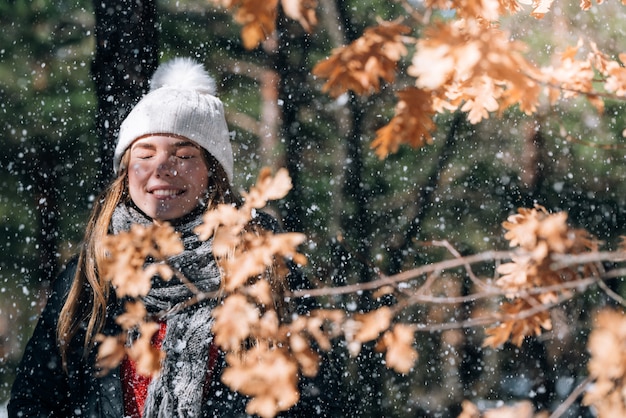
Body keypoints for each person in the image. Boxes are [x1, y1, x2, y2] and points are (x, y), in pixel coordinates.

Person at [7, 57, 290, 417]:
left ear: (212, 173)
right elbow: (33, 404)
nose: (161, 169)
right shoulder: (90, 275)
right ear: (125, 172)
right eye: (145, 154)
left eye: (184, 155)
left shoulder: (259, 267)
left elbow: (311, 401)